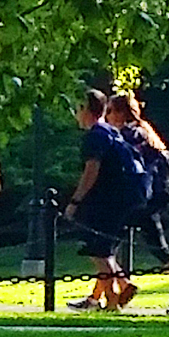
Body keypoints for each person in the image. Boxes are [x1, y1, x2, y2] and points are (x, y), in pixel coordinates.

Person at [106, 90, 169, 315]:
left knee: (111, 241)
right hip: (161, 192)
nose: (106, 116)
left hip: (149, 196)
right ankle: (103, 293)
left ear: (119, 112)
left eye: (109, 111)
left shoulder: (129, 133)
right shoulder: (144, 129)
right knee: (117, 241)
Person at [65, 91, 141, 311]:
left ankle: (112, 301)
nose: (76, 114)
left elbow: (92, 170)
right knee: (101, 249)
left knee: (98, 250)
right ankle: (121, 287)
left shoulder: (95, 135)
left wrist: (76, 201)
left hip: (109, 199)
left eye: (78, 109)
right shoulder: (110, 131)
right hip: (125, 196)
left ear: (87, 110)